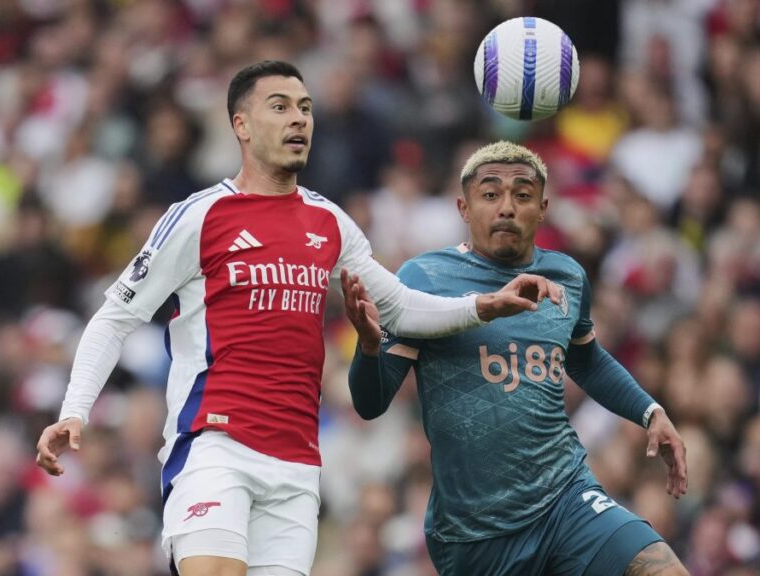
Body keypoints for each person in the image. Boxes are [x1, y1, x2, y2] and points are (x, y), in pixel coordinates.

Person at [34, 61, 559, 576]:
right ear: (241, 125)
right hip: (214, 444)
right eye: (280, 107)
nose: (299, 120)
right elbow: (116, 315)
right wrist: (75, 408)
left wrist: (484, 305)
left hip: (296, 463)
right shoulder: (201, 215)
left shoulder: (328, 221)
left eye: (305, 108)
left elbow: (399, 306)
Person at [344, 141, 691, 575]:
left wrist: (650, 411)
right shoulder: (424, 278)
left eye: (522, 195)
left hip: (567, 497)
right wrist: (369, 347)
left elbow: (586, 359)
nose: (507, 207)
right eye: (490, 194)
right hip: (476, 531)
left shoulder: (566, 276)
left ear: (543, 208)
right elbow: (370, 403)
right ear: (463, 208)